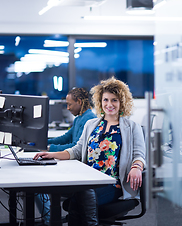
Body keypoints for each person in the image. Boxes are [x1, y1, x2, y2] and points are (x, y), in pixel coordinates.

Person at [34, 77, 146, 226]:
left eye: (114, 100)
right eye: (106, 100)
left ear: (122, 102)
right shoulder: (91, 124)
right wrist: (52, 154)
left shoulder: (131, 127)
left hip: (113, 184)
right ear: (100, 101)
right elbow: (77, 151)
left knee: (80, 197)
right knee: (80, 195)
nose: (109, 104)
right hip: (88, 180)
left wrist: (137, 167)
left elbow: (139, 155)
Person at [36, 87, 96, 225]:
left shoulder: (89, 119)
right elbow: (65, 138)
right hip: (72, 163)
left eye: (69, 104)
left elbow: (75, 145)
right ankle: (49, 218)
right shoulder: (80, 118)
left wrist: (50, 149)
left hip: (78, 168)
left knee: (38, 185)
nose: (68, 108)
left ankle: (49, 220)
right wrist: (43, 143)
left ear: (79, 102)